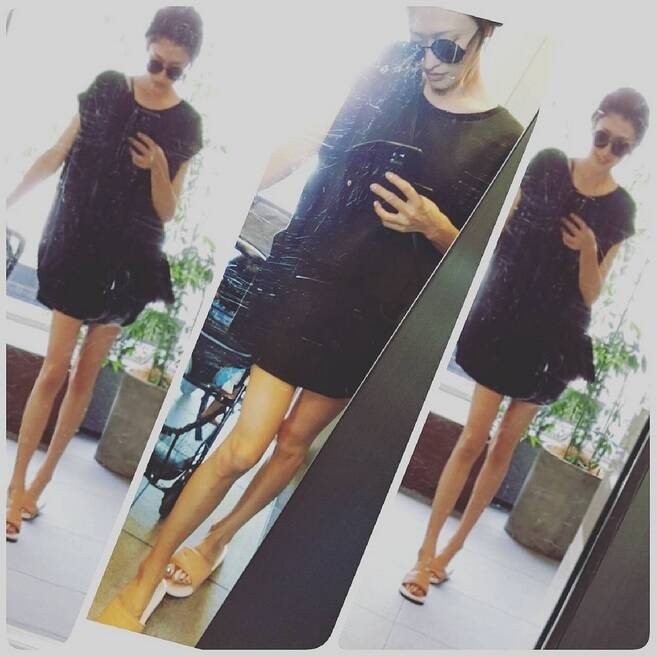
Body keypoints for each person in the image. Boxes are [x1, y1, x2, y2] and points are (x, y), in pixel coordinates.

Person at [97, 6, 524, 632]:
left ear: (487, 29)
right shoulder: (386, 75)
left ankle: (217, 539)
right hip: (306, 282)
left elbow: (485, 265)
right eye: (417, 43)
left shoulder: (503, 139)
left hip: (373, 317)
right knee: (246, 445)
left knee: (294, 444)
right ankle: (144, 577)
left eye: (447, 46)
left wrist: (434, 226)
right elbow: (304, 144)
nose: (428, 60)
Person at [400, 87, 649, 604]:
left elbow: (592, 293)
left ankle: (449, 555)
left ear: (634, 148)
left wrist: (588, 249)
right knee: (472, 439)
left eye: (621, 146)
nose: (608, 151)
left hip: (554, 340)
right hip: (504, 319)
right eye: (603, 137)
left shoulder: (620, 209)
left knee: (503, 448)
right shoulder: (548, 165)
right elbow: (504, 230)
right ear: (594, 122)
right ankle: (424, 553)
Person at [5, 6, 204, 542]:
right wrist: (9, 201)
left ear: (188, 67)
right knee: (53, 369)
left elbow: (167, 210)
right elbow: (57, 152)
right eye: (156, 63)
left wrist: (158, 168)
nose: (161, 76)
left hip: (129, 261)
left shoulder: (186, 124)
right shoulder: (108, 89)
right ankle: (15, 486)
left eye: (174, 71)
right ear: (147, 45)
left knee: (86, 376)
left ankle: (40, 484)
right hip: (75, 243)